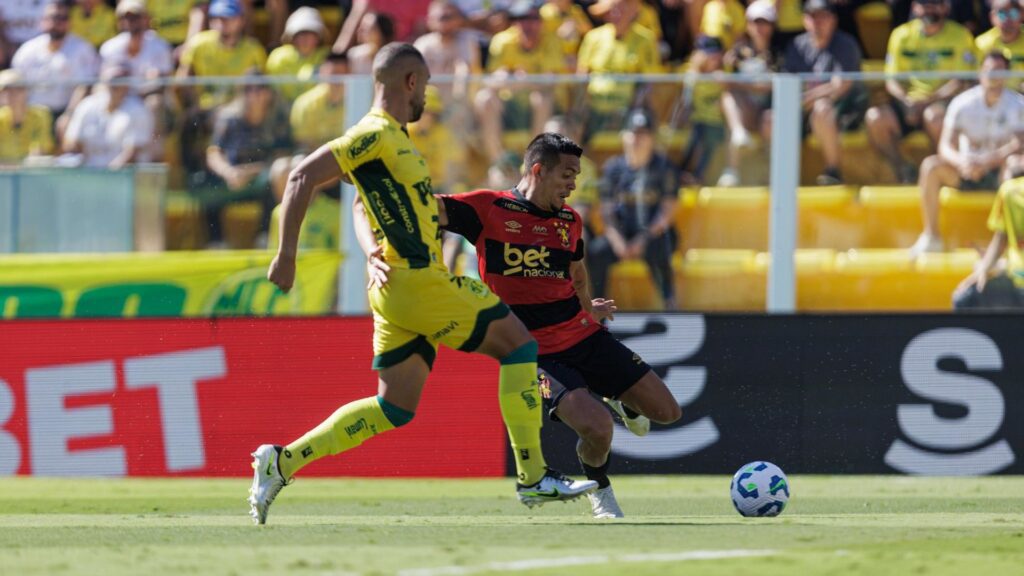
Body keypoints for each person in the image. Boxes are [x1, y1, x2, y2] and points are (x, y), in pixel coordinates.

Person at [251, 43, 597, 525]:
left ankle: (282, 461)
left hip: (397, 287)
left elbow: (358, 201)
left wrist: (371, 247)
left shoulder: (392, 142)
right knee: (518, 345)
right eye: (427, 86)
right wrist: (286, 256)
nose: (428, 98)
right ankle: (533, 477)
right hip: (417, 280)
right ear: (410, 82)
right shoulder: (373, 134)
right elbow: (301, 177)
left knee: (394, 406)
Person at [426, 133, 682, 518]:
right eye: (567, 173)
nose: (573, 183)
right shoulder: (488, 208)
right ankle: (602, 490)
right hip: (536, 353)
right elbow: (426, 209)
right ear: (538, 170)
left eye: (576, 174)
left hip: (584, 334)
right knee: (597, 429)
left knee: (667, 412)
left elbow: (577, 274)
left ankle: (618, 397)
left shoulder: (570, 220)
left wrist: (587, 309)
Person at [908, 51, 1024, 257]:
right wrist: (963, 162)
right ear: (980, 73)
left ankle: (1012, 242)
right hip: (966, 170)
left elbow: (1019, 146)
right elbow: (945, 145)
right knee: (931, 167)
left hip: (998, 171)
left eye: (1000, 71)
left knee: (1015, 166)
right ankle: (931, 236)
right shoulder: (963, 103)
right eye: (990, 71)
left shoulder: (1018, 105)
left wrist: (985, 163)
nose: (994, 77)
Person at [865, 0, 977, 183]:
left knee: (934, 117)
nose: (928, 9)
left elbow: (960, 81)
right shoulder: (901, 34)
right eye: (923, 4)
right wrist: (906, 100)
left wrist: (928, 101)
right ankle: (902, 170)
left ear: (945, 8)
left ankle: (944, 173)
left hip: (942, 101)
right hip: (908, 102)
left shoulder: (961, 35)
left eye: (934, 4)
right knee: (875, 118)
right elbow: (891, 80)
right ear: (914, 8)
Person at [587, 108, 680, 309]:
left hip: (654, 233)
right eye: (633, 133)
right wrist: (617, 240)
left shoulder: (664, 167)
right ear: (624, 137)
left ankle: (670, 303)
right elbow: (607, 211)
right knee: (596, 251)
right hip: (623, 232)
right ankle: (599, 308)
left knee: (660, 246)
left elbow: (668, 211)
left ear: (652, 137)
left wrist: (643, 238)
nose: (637, 138)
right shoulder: (613, 168)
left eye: (643, 133)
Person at [782, 0, 868, 186]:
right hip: (805, 110)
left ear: (833, 20)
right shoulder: (797, 45)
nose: (817, 22)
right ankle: (780, 175)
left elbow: (841, 86)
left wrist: (806, 98)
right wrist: (801, 100)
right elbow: (788, 84)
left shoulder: (846, 44)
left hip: (845, 110)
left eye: (822, 16)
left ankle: (833, 171)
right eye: (812, 17)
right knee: (771, 119)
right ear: (804, 20)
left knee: (822, 109)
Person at [473, 0, 565, 165]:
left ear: (541, 21)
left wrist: (520, 80)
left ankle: (534, 159)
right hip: (510, 107)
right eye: (521, 18)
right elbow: (493, 80)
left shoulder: (552, 41)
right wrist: (521, 80)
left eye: (533, 18)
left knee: (541, 98)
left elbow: (550, 81)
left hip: (545, 108)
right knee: (484, 98)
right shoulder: (502, 41)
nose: (527, 24)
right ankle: (499, 163)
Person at [11, 1, 100, 138]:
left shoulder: (82, 49)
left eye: (62, 18)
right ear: (43, 21)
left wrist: (69, 115)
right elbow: (17, 84)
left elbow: (84, 87)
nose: (57, 22)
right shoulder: (28, 50)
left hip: (67, 111)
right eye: (52, 17)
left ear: (69, 22)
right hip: (33, 113)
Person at [717, 0, 780, 187]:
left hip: (767, 112)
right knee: (729, 99)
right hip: (745, 110)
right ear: (748, 25)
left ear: (772, 25)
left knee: (772, 119)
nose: (759, 27)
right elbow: (724, 81)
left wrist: (739, 84)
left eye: (764, 22)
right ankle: (732, 167)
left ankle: (771, 172)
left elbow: (772, 86)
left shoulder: (778, 53)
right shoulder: (737, 51)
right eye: (755, 22)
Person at [576, 0, 661, 135]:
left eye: (621, 9)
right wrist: (584, 106)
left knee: (641, 124)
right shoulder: (593, 37)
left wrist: (634, 106)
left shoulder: (646, 39)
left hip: (629, 109)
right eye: (612, 10)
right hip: (594, 110)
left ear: (632, 12)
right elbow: (581, 76)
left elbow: (648, 82)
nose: (616, 14)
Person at [63, 63, 155, 169]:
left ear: (127, 86)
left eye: (119, 81)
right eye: (111, 81)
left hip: (124, 177)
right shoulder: (87, 106)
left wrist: (108, 176)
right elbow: (71, 143)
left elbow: (133, 153)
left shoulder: (138, 110)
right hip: (90, 174)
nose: (114, 85)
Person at [953, 174, 1024, 309]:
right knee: (964, 299)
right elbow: (1000, 238)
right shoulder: (1009, 191)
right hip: (1015, 279)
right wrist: (984, 269)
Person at [290, 51, 350, 152]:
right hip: (312, 158)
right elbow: (303, 143)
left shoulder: (356, 102)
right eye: (334, 74)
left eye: (343, 74)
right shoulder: (305, 103)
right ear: (322, 73)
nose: (338, 80)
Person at [266, 7, 330, 102]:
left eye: (310, 33)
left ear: (318, 37)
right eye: (300, 33)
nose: (305, 38)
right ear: (292, 37)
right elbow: (272, 90)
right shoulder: (278, 57)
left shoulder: (327, 57)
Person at [0, 69, 55, 164]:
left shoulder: (41, 115)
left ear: (25, 91)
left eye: (18, 89)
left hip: (32, 174)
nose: (12, 94)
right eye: (6, 90)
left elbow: (39, 152)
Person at [975, 0, 1024, 69]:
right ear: (992, 16)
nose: (1008, 19)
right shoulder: (981, 44)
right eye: (1002, 14)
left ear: (1022, 15)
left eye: (1013, 13)